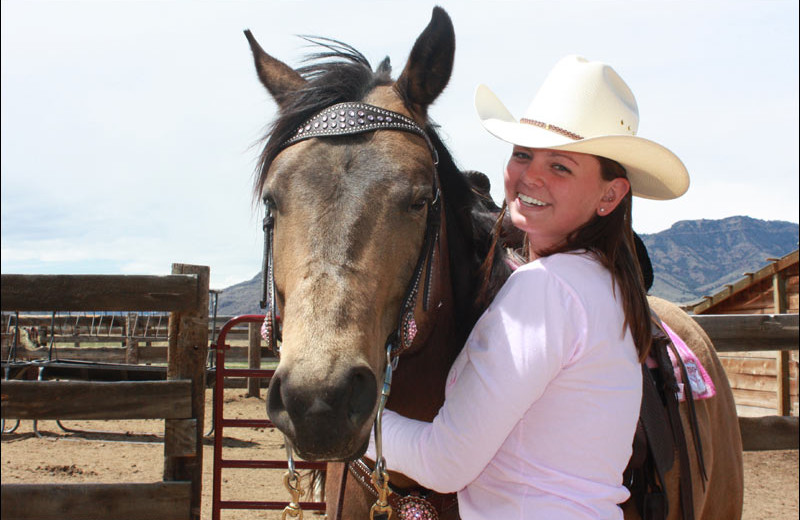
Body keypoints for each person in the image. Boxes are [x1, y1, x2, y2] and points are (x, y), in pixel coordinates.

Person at [368, 55, 690, 519]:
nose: (530, 176)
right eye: (522, 154)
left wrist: (355, 424)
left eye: (560, 166)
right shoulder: (606, 283)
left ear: (610, 195)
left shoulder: (545, 290)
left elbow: (444, 464)